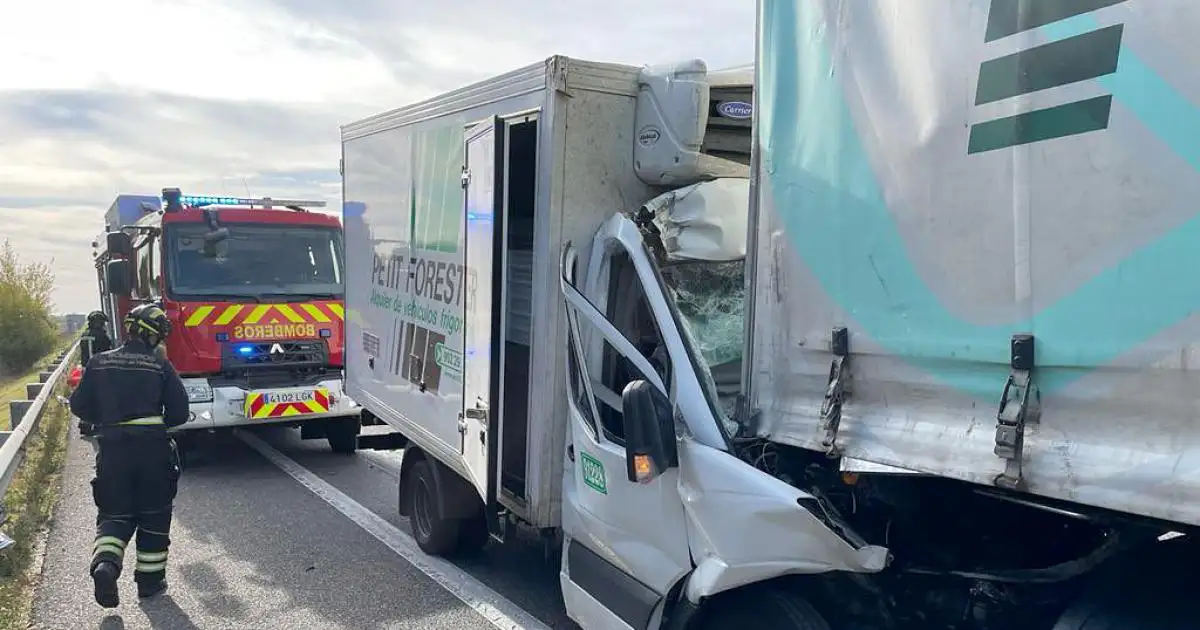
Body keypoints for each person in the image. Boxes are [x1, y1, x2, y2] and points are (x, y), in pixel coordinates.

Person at [68, 304, 189, 608]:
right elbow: (180, 413)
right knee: (154, 515)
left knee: (114, 515)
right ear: (153, 336)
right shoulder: (159, 365)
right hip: (153, 453)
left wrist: (107, 419)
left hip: (112, 453)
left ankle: (105, 566)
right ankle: (149, 583)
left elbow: (79, 406)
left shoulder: (98, 362)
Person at [76, 311, 114, 437]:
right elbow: (108, 352)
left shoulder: (85, 334)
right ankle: (98, 423)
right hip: (99, 370)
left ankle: (84, 423)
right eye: (103, 323)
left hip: (86, 369)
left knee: (87, 396)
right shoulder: (102, 336)